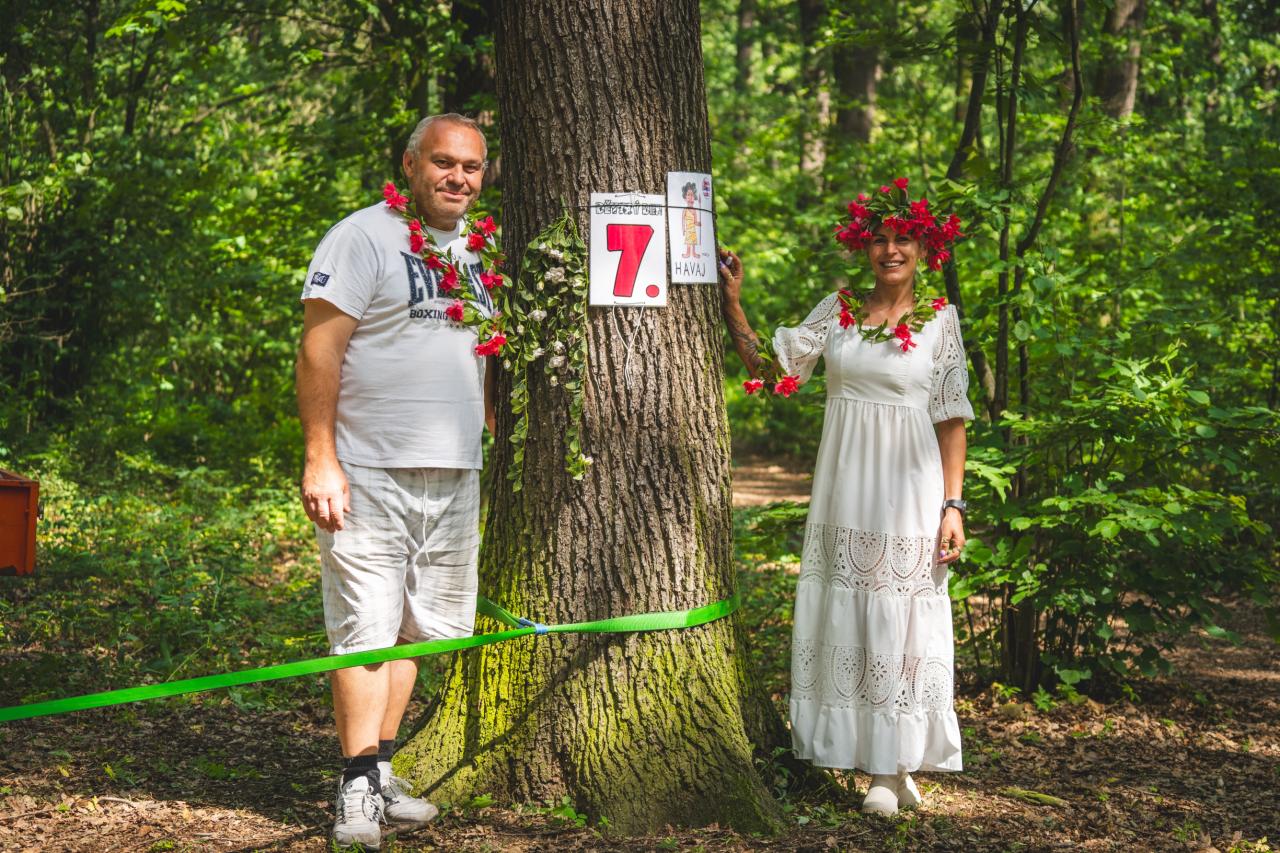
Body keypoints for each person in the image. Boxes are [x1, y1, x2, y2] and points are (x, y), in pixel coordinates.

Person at [718, 183, 972, 816]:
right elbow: (775, 372)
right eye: (879, 239)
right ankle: (874, 759)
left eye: (903, 239)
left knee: (899, 614)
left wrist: (954, 505)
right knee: (848, 608)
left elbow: (951, 419)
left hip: (909, 489)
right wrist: (734, 305)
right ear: (865, 247)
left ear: (924, 249)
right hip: (844, 484)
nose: (890, 250)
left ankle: (892, 767)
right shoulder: (839, 309)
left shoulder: (940, 319)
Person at [296, 113, 494, 848]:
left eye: (471, 167)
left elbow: (482, 355)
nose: (458, 178)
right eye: (443, 162)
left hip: (456, 469)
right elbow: (319, 349)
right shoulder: (362, 236)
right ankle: (353, 787)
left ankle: (379, 771)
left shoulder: (481, 251)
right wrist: (321, 457)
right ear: (410, 165)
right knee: (365, 630)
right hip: (369, 466)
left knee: (417, 629)